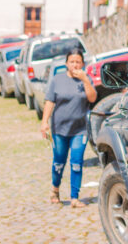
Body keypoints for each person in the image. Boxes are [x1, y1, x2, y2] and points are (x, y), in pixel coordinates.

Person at [40, 48, 96, 208]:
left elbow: (92, 98)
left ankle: (74, 197)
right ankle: (55, 189)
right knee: (59, 161)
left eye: (78, 61)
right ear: (66, 64)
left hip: (80, 130)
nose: (75, 64)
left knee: (77, 162)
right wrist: (44, 122)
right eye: (72, 61)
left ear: (83, 63)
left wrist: (85, 80)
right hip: (60, 129)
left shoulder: (86, 80)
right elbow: (50, 101)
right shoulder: (57, 80)